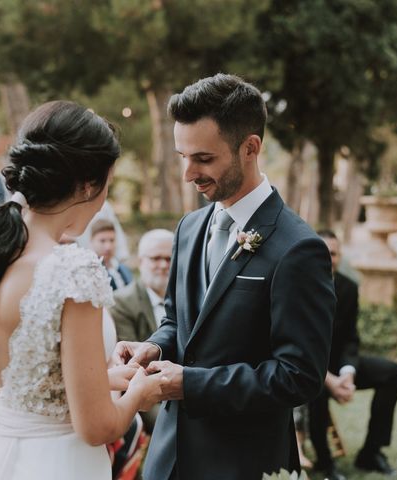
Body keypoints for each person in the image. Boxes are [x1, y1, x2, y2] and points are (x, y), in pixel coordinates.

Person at [113, 74, 335, 480]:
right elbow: (177, 323)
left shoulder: (298, 248)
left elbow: (299, 377)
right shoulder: (189, 227)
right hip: (169, 454)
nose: (188, 173)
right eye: (183, 157)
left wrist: (192, 384)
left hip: (243, 462)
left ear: (250, 148)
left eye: (203, 158)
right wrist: (154, 348)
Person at [0, 100, 164, 479]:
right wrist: (140, 395)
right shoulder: (72, 270)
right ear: (87, 185)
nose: (103, 204)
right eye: (107, 186)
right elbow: (97, 426)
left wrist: (103, 380)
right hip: (60, 464)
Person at [307, 230, 397, 479]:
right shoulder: (298, 287)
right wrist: (328, 380)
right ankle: (325, 463)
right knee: (314, 387)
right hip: (306, 366)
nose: (329, 258)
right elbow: (301, 345)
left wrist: (348, 374)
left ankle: (371, 453)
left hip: (339, 364)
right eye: (323, 252)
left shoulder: (348, 288)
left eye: (335, 253)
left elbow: (350, 338)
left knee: (392, 373)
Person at [109, 228, 174, 432]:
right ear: (141, 262)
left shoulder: (188, 300)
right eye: (155, 258)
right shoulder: (121, 303)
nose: (163, 265)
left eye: (169, 258)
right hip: (144, 395)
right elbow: (131, 364)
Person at [90, 219, 133, 291]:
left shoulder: (124, 268)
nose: (108, 247)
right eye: (102, 241)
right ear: (91, 241)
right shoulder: (91, 271)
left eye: (112, 240)